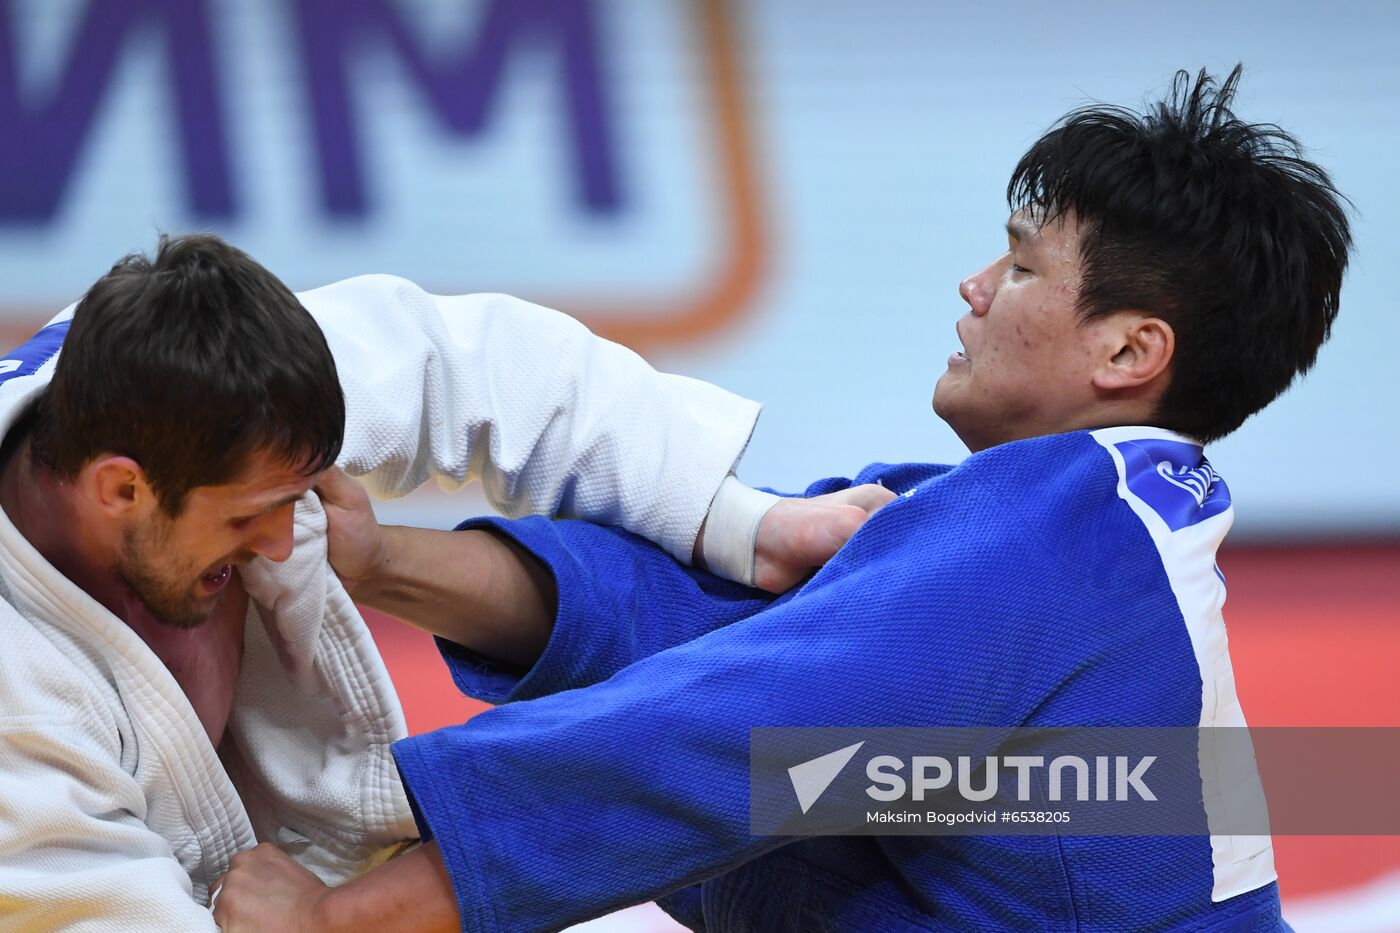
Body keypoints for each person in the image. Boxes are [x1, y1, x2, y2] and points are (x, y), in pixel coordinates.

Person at [214, 66, 1351, 931]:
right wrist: (373, 559)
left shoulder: (1062, 540)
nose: (971, 285)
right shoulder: (1058, 523)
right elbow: (687, 620)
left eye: (1017, 266)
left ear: (1127, 351)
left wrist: (348, 915)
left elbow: (737, 732)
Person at [0, 234, 879, 930]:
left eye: (297, 497)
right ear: (119, 488)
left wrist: (743, 523)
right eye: (246, 518)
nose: (281, 540)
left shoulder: (201, 382)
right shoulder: (19, 701)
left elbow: (488, 367)